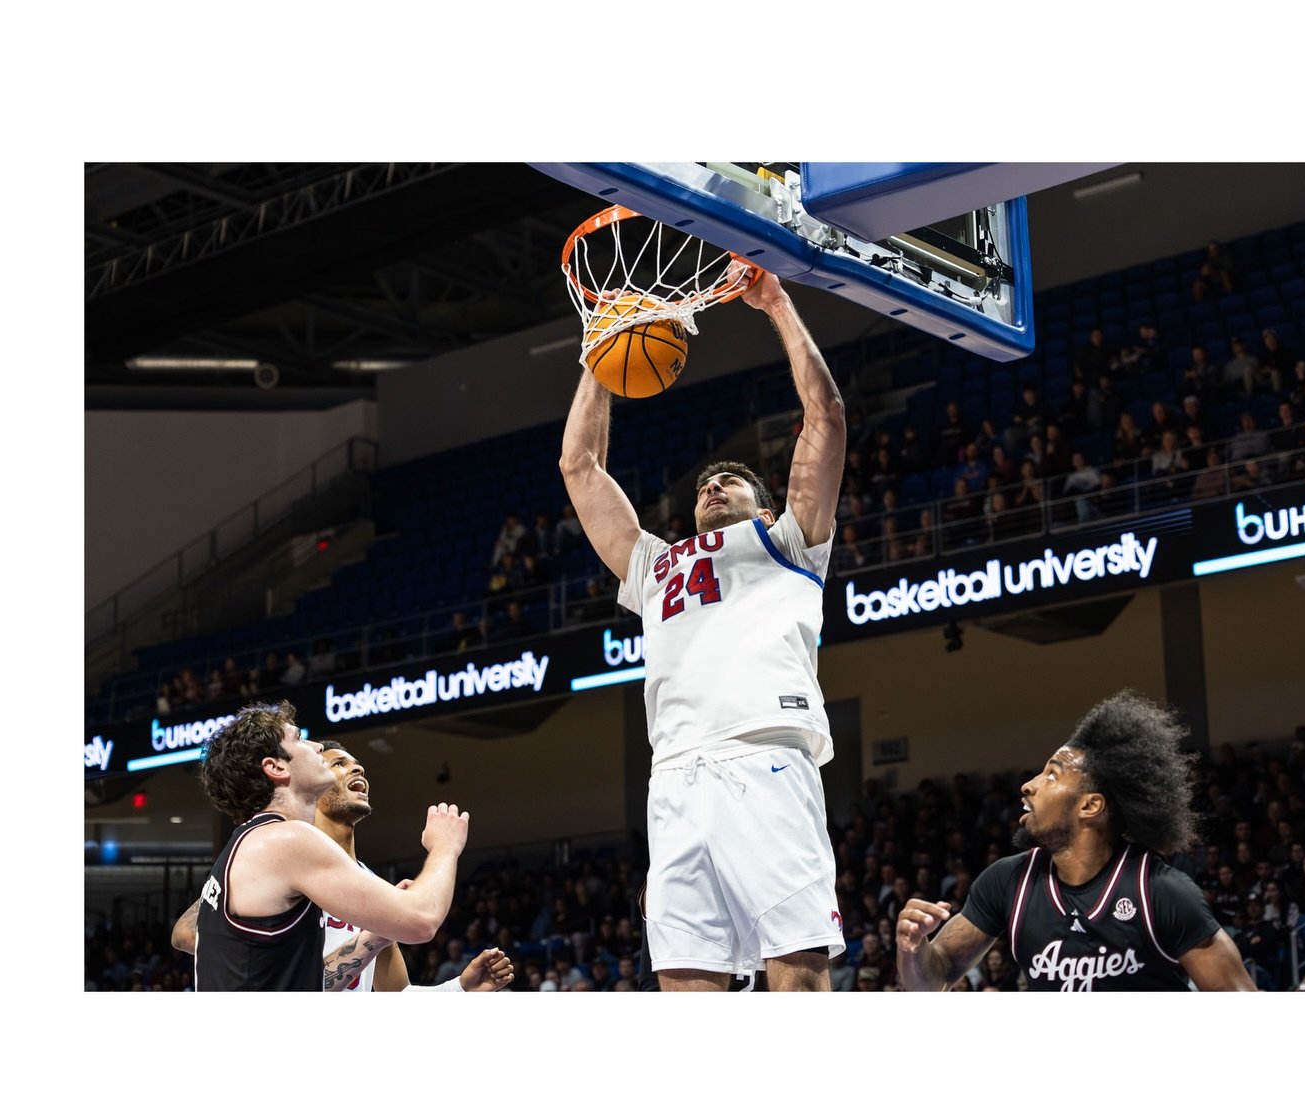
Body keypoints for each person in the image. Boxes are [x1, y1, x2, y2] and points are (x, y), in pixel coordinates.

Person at [559, 263, 846, 992]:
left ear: (763, 506)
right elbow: (579, 466)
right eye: (703, 486)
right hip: (675, 777)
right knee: (686, 979)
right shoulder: (654, 566)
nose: (712, 485)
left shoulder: (788, 540)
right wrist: (603, 349)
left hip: (763, 754)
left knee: (798, 965)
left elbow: (825, 417)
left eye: (731, 481)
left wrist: (776, 304)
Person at [895, 690, 1258, 991]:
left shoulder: (1160, 892)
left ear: (1090, 805)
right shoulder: (1007, 882)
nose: (1029, 785)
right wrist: (912, 949)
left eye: (1052, 774)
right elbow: (935, 976)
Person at [173, 739, 514, 994]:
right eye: (338, 764)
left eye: (357, 764)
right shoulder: (278, 852)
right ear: (317, 783)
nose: (357, 769)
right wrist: (444, 848)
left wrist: (460, 989)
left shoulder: (368, 884)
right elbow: (186, 932)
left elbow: (398, 997)